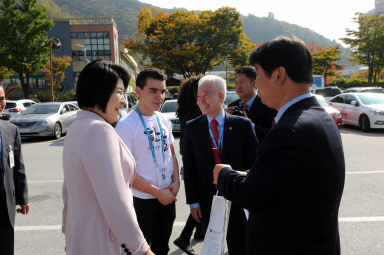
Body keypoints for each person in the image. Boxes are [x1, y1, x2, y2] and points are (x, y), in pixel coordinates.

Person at [213, 36, 345, 255]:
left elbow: (252, 193)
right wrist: (249, 174)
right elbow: (287, 181)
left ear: (279, 75)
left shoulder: (288, 130)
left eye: (257, 74)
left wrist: (224, 174)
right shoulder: (319, 117)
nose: (255, 84)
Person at [62, 60, 153, 255]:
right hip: (103, 242)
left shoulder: (77, 128)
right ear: (100, 91)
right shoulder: (99, 131)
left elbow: (67, 191)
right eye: (119, 92)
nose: (123, 100)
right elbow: (115, 201)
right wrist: (142, 249)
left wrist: (68, 234)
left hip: (81, 238)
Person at [183, 75, 259, 255]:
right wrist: (193, 202)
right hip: (206, 200)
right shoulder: (193, 127)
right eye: (199, 96)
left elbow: (255, 163)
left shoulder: (243, 125)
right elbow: (190, 167)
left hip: (238, 199)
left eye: (206, 95)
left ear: (222, 97)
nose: (201, 101)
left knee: (240, 246)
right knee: (212, 248)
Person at [116, 68, 180, 255]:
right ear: (138, 91)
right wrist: (157, 193)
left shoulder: (164, 120)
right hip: (142, 200)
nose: (159, 96)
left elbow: (172, 154)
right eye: (153, 91)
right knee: (140, 250)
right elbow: (126, 172)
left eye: (162, 91)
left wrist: (176, 181)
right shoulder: (126, 125)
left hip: (167, 195)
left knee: (163, 247)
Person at [173, 76, 204, 255]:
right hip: (198, 158)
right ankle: (185, 236)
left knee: (200, 197)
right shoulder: (197, 112)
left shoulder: (185, 110)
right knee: (204, 196)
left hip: (189, 156)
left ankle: (198, 230)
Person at [0, 85, 29, 255]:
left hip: (5, 201)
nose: (0, 103)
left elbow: (18, 166)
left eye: (2, 99)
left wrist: (23, 197)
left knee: (5, 245)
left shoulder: (10, 130)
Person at [227, 66, 277, 142]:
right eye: (236, 83)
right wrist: (225, 120)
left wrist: (248, 124)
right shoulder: (232, 106)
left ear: (254, 83)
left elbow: (271, 135)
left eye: (241, 82)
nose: (238, 86)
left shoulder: (268, 104)